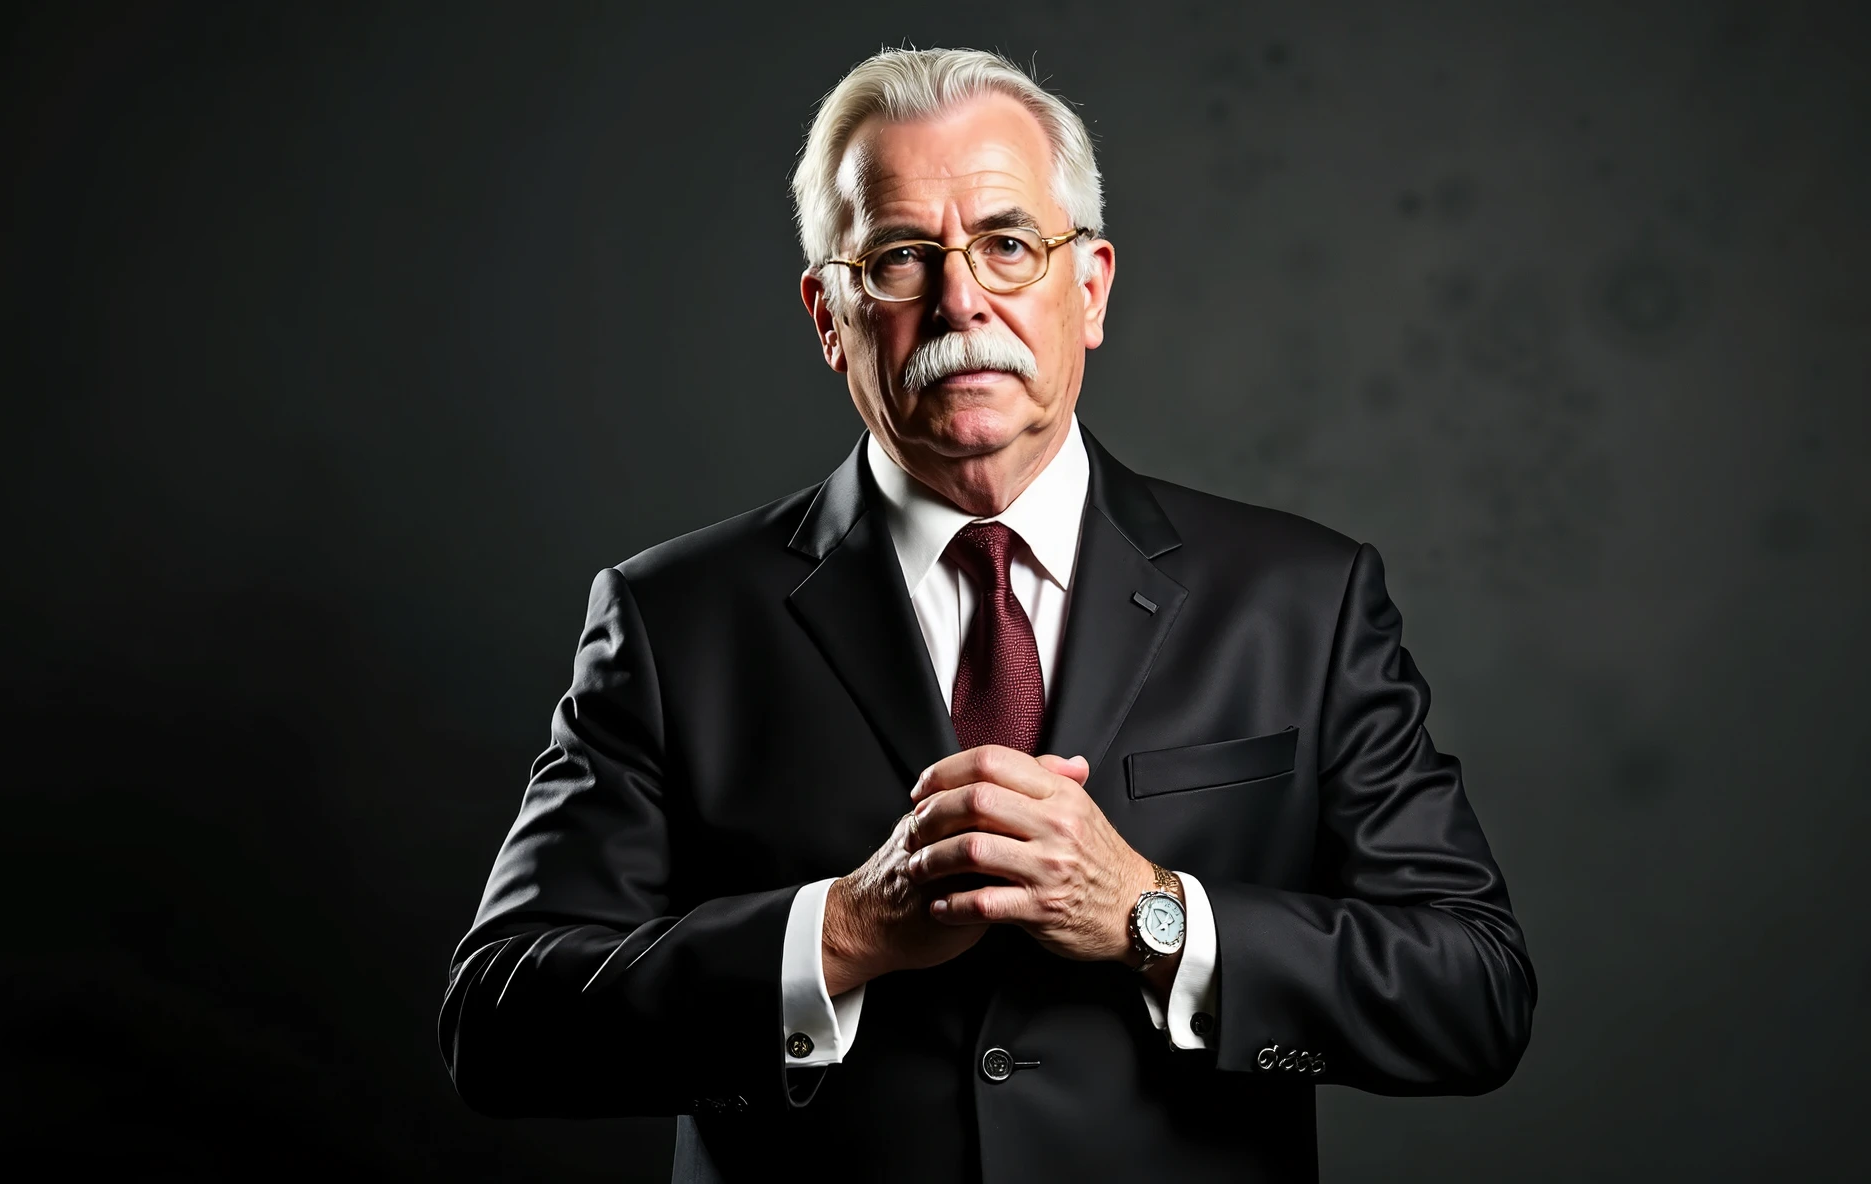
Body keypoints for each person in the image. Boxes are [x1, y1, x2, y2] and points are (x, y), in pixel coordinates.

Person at [439, 46, 1535, 1183]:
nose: (961, 297)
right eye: (902, 257)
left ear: (1091, 287)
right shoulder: (672, 620)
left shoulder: (1302, 598)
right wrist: (843, 930)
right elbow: (500, 1022)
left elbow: (1474, 991)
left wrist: (1150, 915)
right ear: (829, 314)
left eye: (1008, 243)